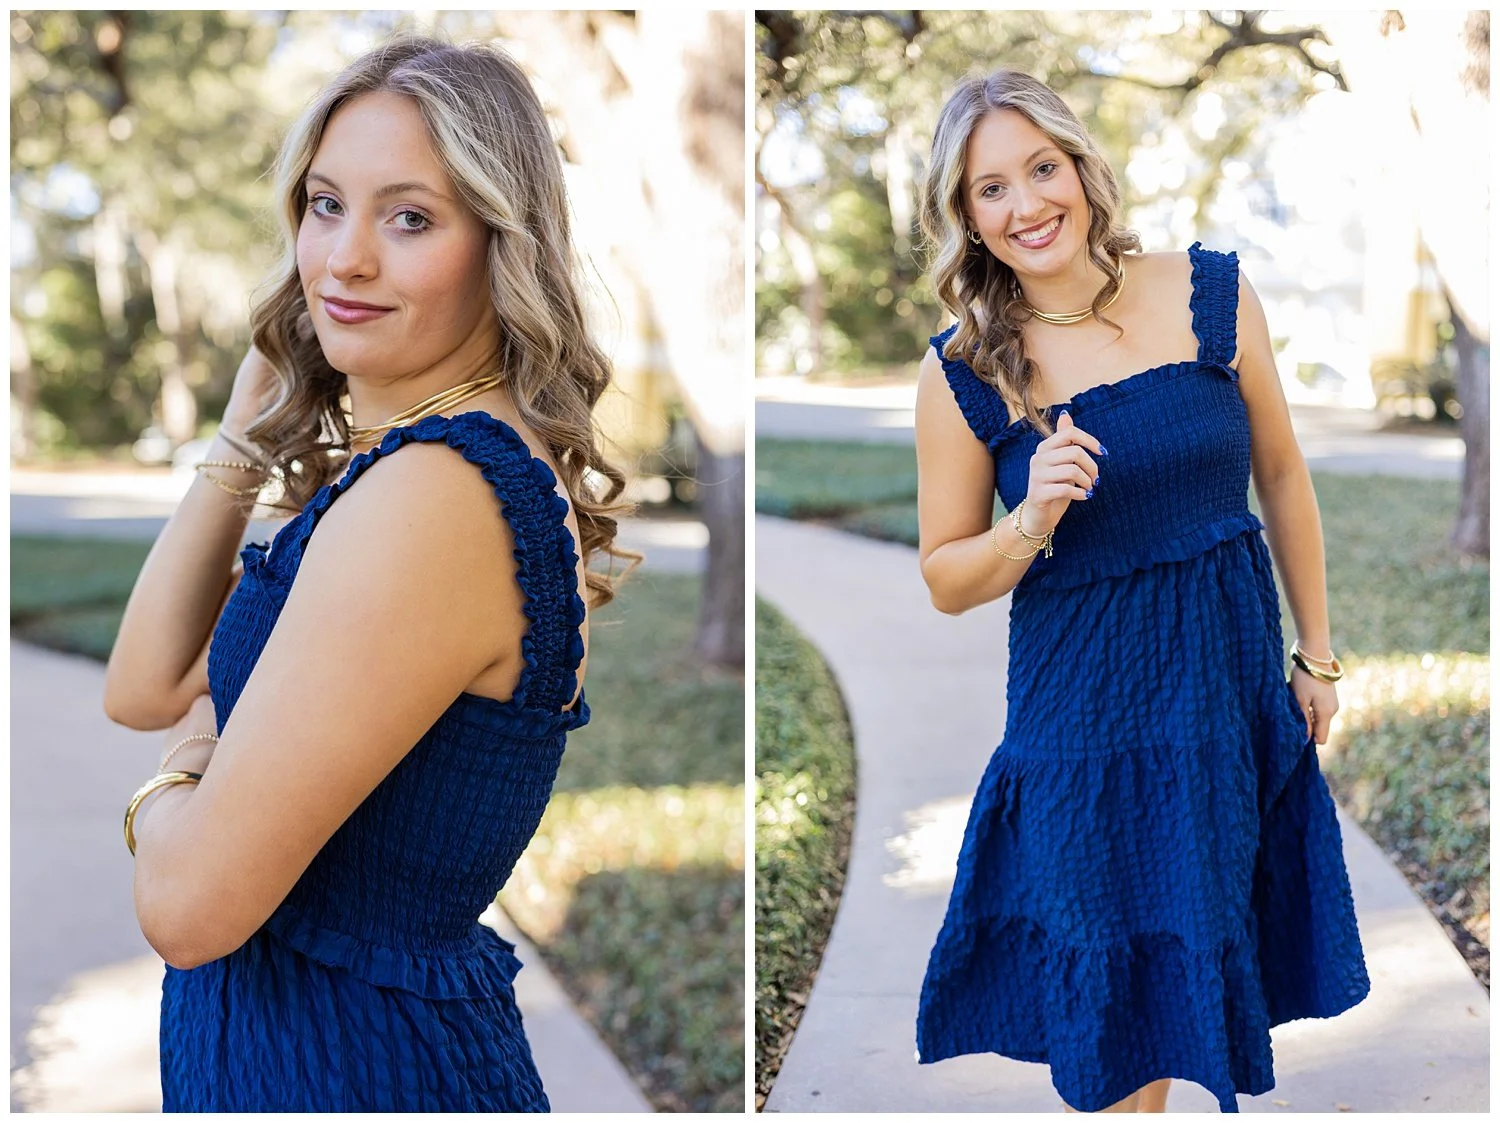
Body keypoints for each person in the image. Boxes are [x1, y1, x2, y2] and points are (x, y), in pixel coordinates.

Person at [105, 34, 639, 1111]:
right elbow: (147, 682)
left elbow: (189, 903)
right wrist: (244, 429)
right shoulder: (410, 463)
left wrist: (188, 768)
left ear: (502, 245)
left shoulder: (437, 492)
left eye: (409, 218)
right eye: (323, 203)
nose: (343, 259)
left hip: (349, 1067)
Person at [909, 69, 1371, 1113]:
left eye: (1041, 167)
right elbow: (944, 576)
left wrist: (1317, 654)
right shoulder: (964, 372)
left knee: (1202, 980)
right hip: (1083, 729)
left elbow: (1284, 473)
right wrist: (1028, 522)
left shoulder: (1210, 290)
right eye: (991, 189)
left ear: (1081, 167)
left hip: (1222, 703)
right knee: (1122, 1030)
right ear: (966, 217)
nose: (1027, 205)